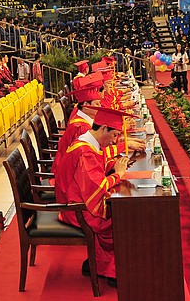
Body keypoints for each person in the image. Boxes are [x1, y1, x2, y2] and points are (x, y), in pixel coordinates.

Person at [54, 106, 135, 286]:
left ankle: (101, 263)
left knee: (122, 208)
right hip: (76, 209)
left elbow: (97, 167)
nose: (114, 141)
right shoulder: (84, 151)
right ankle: (112, 270)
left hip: (77, 198)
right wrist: (119, 174)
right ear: (104, 128)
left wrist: (113, 166)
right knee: (121, 217)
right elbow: (98, 186)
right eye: (114, 135)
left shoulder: (88, 143)